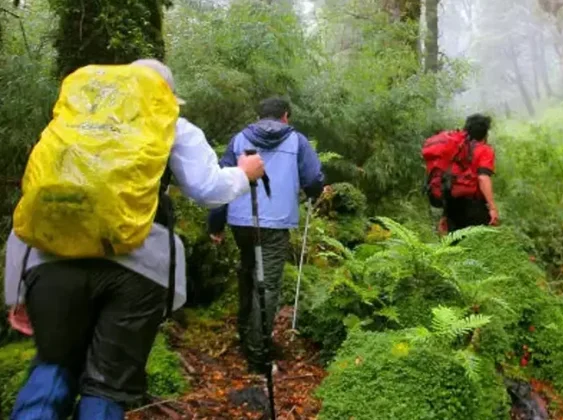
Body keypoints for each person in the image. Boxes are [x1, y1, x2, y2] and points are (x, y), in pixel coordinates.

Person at [4, 59, 265, 420]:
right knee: (107, 383)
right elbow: (207, 188)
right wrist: (244, 173)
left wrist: (16, 292)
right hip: (137, 267)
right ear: (167, 94)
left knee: (53, 363)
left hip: (51, 263)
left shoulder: (72, 123)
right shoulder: (170, 122)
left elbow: (30, 204)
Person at [207, 97, 325, 373]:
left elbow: (221, 182)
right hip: (275, 224)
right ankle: (258, 357)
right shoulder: (297, 141)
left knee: (249, 272)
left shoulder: (239, 139)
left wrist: (216, 224)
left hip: (240, 220)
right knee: (268, 285)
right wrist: (314, 193)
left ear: (259, 116)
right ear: (285, 116)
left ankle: (246, 334)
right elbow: (313, 179)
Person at [440, 113, 499, 232]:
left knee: (456, 246)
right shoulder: (484, 150)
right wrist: (492, 208)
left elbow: (448, 181)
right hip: (474, 207)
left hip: (453, 207)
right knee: (476, 246)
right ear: (485, 133)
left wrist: (445, 215)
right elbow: (483, 178)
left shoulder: (456, 150)